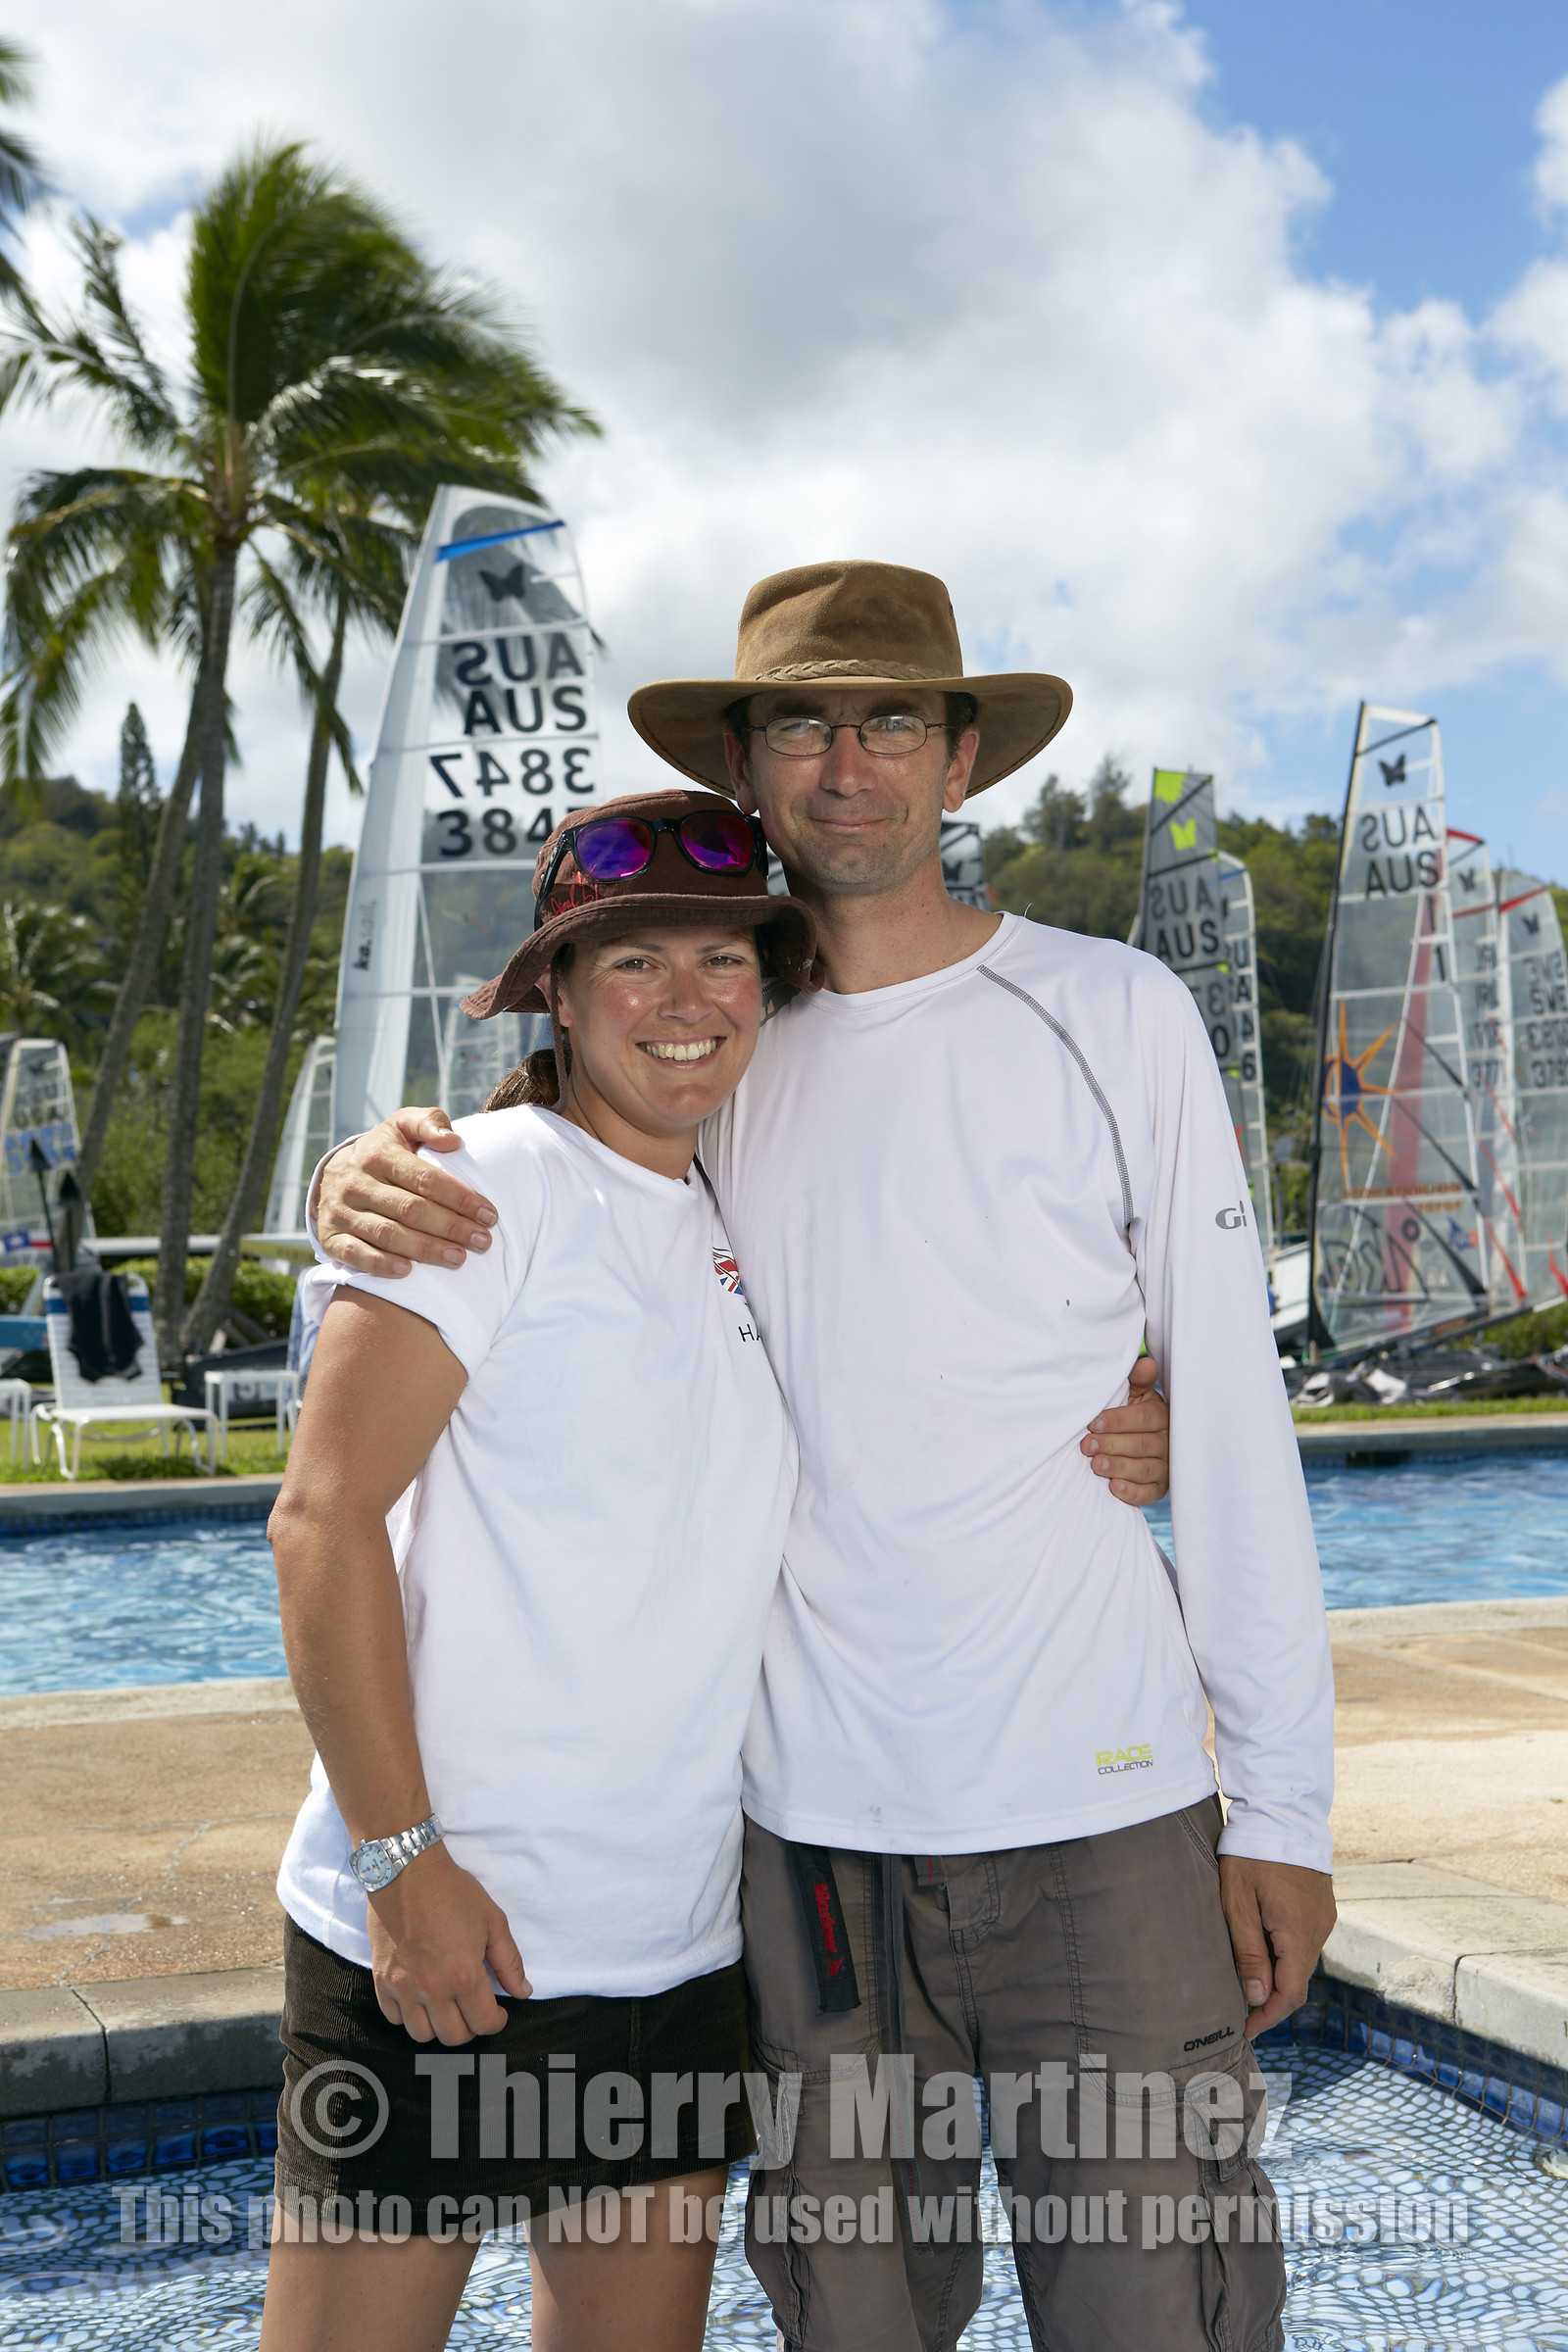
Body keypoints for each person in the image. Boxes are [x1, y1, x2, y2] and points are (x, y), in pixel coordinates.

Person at [313, 559, 1336, 2352]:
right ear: (753, 765)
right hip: (800, 1855)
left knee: (1164, 2320)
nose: (846, 761)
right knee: (851, 2326)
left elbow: (1235, 1423)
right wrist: (363, 1174)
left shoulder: (1109, 1014)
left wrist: (1288, 1807)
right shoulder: (719, 1051)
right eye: (802, 721)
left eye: (891, 722)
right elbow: (526, 1168)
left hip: (1098, 1806)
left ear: (960, 762)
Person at [260, 798, 820, 2352]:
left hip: (674, 1948)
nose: (688, 998)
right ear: (558, 996)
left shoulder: (734, 1210)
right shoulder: (485, 1187)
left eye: (725, 957)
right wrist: (401, 1868)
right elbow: (320, 1522)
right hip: (448, 1936)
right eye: (634, 961)